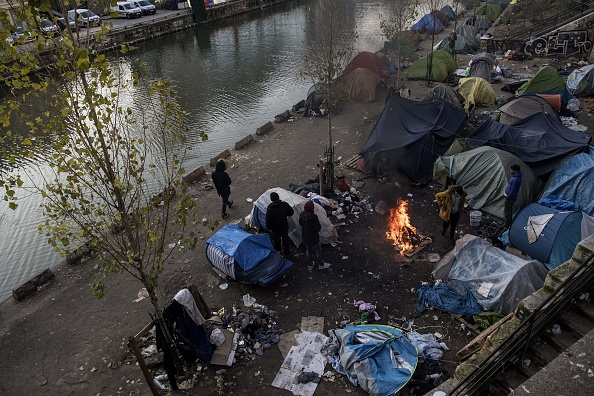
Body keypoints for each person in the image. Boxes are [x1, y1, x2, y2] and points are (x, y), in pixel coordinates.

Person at [299, 200, 331, 272]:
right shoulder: (314, 217)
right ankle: (321, 264)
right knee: (318, 250)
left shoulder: (302, 214)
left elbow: (300, 223)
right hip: (314, 237)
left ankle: (310, 264)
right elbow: (318, 228)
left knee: (308, 250)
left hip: (305, 236)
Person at [266, 192, 294, 256]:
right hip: (284, 226)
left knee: (277, 240)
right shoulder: (284, 205)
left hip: (275, 228)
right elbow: (291, 212)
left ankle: (279, 252)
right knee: (285, 239)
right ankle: (287, 252)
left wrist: (269, 228)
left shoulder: (270, 209)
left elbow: (268, 220)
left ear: (271, 199)